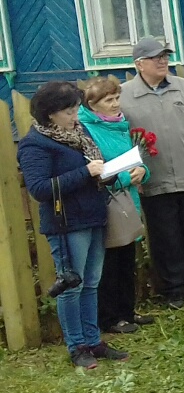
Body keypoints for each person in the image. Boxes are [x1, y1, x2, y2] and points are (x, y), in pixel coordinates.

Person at [18, 81, 129, 368]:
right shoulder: (36, 144)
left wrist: (109, 173)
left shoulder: (80, 133)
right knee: (72, 285)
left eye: (76, 110)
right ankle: (77, 346)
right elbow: (39, 188)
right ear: (50, 114)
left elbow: (95, 168)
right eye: (69, 112)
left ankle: (93, 341)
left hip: (94, 214)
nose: (75, 117)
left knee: (92, 283)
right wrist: (84, 172)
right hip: (67, 223)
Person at [119, 37, 184, 308]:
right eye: (156, 57)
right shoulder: (123, 96)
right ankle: (175, 288)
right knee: (166, 236)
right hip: (153, 179)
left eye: (165, 56)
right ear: (139, 64)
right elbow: (119, 139)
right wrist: (132, 172)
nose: (163, 61)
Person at [78, 77, 151, 334]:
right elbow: (94, 167)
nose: (115, 104)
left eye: (117, 98)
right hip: (108, 201)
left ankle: (127, 310)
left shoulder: (120, 124)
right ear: (92, 104)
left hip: (128, 199)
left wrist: (143, 171)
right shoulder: (87, 130)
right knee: (110, 261)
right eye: (108, 100)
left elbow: (133, 157)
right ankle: (110, 317)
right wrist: (122, 177)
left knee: (128, 258)